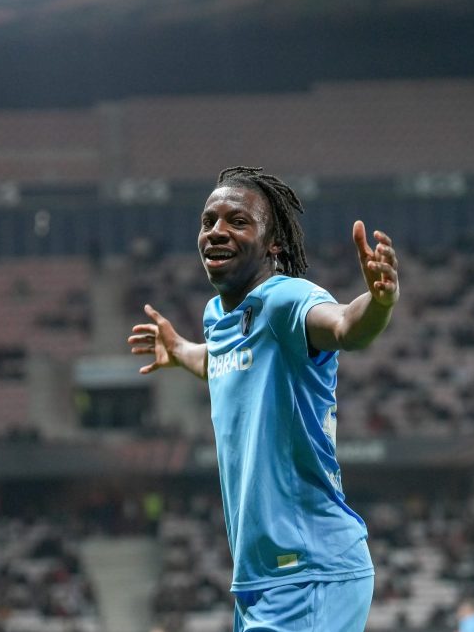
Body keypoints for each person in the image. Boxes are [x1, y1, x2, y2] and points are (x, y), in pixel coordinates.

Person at [128, 166, 399, 632]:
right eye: (208, 221)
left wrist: (377, 304)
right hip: (261, 581)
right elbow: (222, 361)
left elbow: (343, 327)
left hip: (309, 569)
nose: (217, 231)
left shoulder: (284, 300)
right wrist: (182, 351)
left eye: (238, 221)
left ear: (273, 243)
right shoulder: (218, 316)